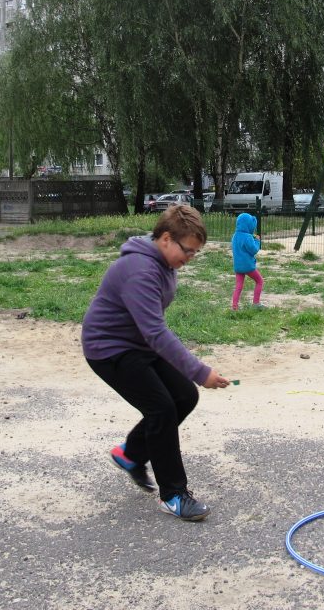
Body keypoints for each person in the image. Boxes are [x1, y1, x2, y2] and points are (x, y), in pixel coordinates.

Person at [82, 205, 230, 522]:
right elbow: (156, 332)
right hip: (108, 348)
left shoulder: (163, 264)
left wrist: (194, 377)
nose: (189, 258)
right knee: (161, 407)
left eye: (195, 253)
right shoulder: (141, 270)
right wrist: (200, 372)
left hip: (137, 343)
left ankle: (131, 453)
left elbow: (151, 330)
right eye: (187, 251)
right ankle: (174, 494)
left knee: (184, 396)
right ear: (165, 238)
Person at [230, 212, 264, 310]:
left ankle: (235, 306)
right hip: (248, 266)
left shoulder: (235, 236)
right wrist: (257, 241)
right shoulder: (248, 237)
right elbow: (254, 250)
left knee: (239, 286)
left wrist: (251, 237)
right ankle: (256, 303)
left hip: (237, 266)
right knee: (259, 281)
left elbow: (240, 245)